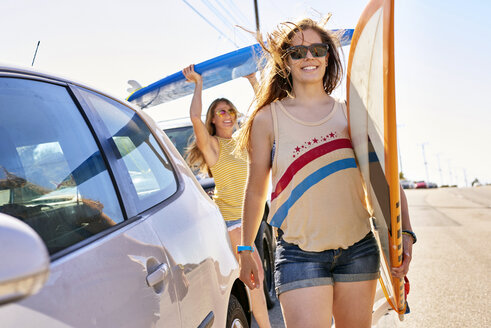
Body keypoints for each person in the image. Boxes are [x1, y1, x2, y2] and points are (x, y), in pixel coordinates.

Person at [235, 18, 415, 327]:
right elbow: (255, 190)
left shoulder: (351, 113)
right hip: (299, 255)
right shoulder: (267, 119)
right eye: (297, 52)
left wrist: (404, 231)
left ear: (327, 56)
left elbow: (382, 175)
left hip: (357, 248)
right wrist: (245, 248)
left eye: (317, 49)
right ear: (285, 61)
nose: (308, 57)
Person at [182, 64, 271, 328]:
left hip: (247, 223)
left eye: (231, 110)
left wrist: (254, 80)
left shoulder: (244, 140)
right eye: (222, 111)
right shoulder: (212, 146)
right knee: (255, 279)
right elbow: (195, 117)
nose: (228, 115)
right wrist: (198, 83)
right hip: (231, 224)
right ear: (214, 118)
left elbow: (264, 112)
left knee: (257, 279)